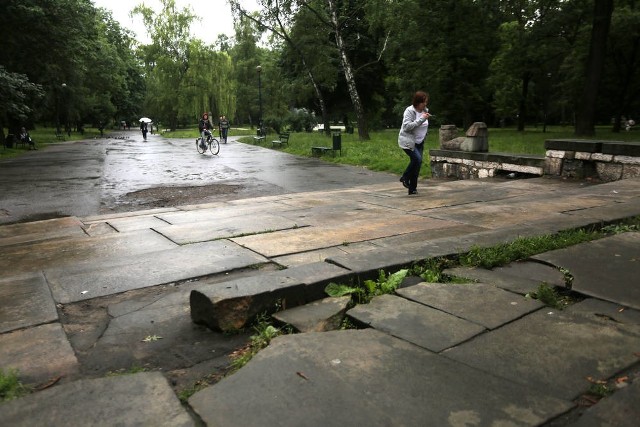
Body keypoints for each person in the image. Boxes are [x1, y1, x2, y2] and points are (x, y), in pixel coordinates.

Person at [398, 91, 431, 195]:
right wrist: (421, 119)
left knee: (417, 164)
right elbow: (407, 127)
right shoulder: (409, 111)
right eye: (424, 102)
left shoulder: (425, 111)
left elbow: (423, 125)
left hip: (420, 142)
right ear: (418, 102)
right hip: (408, 141)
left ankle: (412, 189)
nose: (425, 104)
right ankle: (405, 177)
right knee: (417, 159)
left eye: (426, 102)